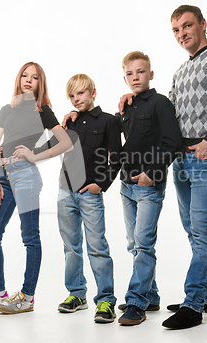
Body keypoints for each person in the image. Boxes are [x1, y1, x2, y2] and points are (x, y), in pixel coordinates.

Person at [121, 6, 207, 329]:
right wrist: (133, 98)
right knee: (193, 229)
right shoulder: (180, 71)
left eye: (187, 26)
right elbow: (166, 108)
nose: (182, 34)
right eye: (176, 30)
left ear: (203, 24)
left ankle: (193, 304)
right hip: (181, 157)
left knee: (203, 229)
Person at [66, 52, 182, 325]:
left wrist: (152, 173)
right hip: (126, 186)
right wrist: (76, 112)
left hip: (148, 186)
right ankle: (151, 297)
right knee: (133, 244)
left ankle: (136, 303)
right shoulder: (126, 107)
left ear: (150, 74)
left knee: (143, 244)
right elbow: (102, 124)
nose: (135, 78)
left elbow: (173, 142)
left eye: (140, 72)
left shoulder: (161, 103)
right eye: (130, 74)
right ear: (124, 77)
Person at [0, 62, 72, 314]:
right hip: (2, 176)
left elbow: (66, 142)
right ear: (19, 79)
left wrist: (35, 156)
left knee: (30, 237)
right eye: (24, 75)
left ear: (40, 83)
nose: (28, 80)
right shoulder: (7, 109)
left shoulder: (43, 110)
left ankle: (27, 297)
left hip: (26, 176)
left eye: (34, 77)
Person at [56, 74, 121, 323]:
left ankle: (105, 299)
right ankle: (76, 294)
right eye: (72, 96)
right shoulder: (69, 122)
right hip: (65, 192)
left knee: (97, 246)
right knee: (71, 248)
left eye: (81, 93)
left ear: (93, 92)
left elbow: (115, 157)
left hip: (89, 194)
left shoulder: (108, 121)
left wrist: (100, 185)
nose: (76, 99)